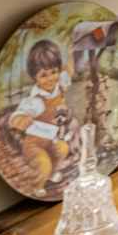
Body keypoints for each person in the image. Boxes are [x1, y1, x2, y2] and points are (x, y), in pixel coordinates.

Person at [10, 39, 75, 197]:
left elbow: (70, 73)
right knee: (43, 163)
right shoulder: (36, 100)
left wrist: (70, 55)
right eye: (43, 75)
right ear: (35, 77)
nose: (51, 78)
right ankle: (37, 186)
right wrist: (21, 120)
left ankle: (54, 173)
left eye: (54, 72)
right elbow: (14, 117)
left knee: (63, 149)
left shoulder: (60, 86)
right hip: (34, 145)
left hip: (51, 141)